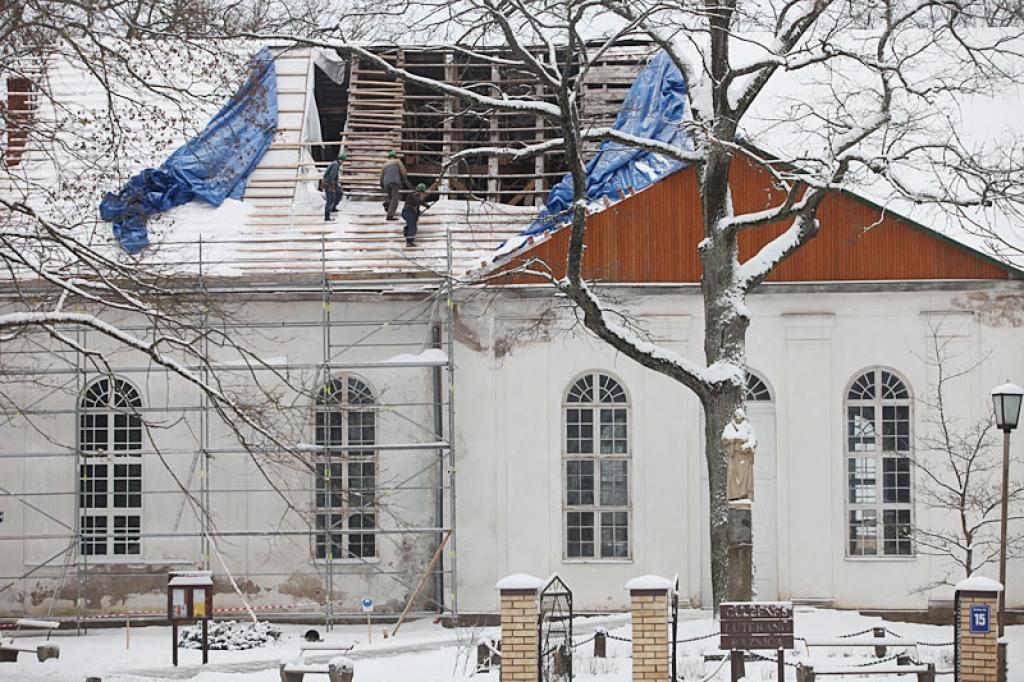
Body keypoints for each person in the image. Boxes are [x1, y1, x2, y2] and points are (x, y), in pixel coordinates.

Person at [402, 182, 433, 247]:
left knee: (411, 225)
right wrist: (425, 205)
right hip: (409, 212)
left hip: (408, 212)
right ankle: (409, 241)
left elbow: (416, 204)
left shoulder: (414, 194)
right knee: (413, 227)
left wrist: (417, 213)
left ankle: (406, 231)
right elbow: (417, 201)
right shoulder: (416, 193)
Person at [379, 150, 408, 220]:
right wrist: (403, 180)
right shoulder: (397, 161)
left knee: (390, 198)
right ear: (395, 156)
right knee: (395, 199)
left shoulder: (385, 164)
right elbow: (403, 171)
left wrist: (382, 184)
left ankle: (387, 205)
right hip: (394, 181)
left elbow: (381, 176)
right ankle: (390, 215)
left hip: (386, 183)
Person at [322, 152, 347, 221]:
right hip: (329, 183)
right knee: (330, 199)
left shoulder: (335, 164)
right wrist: (332, 185)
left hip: (331, 183)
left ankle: (333, 207)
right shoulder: (335, 165)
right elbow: (332, 176)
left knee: (339, 193)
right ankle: (327, 217)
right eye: (343, 161)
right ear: (340, 160)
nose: (343, 163)